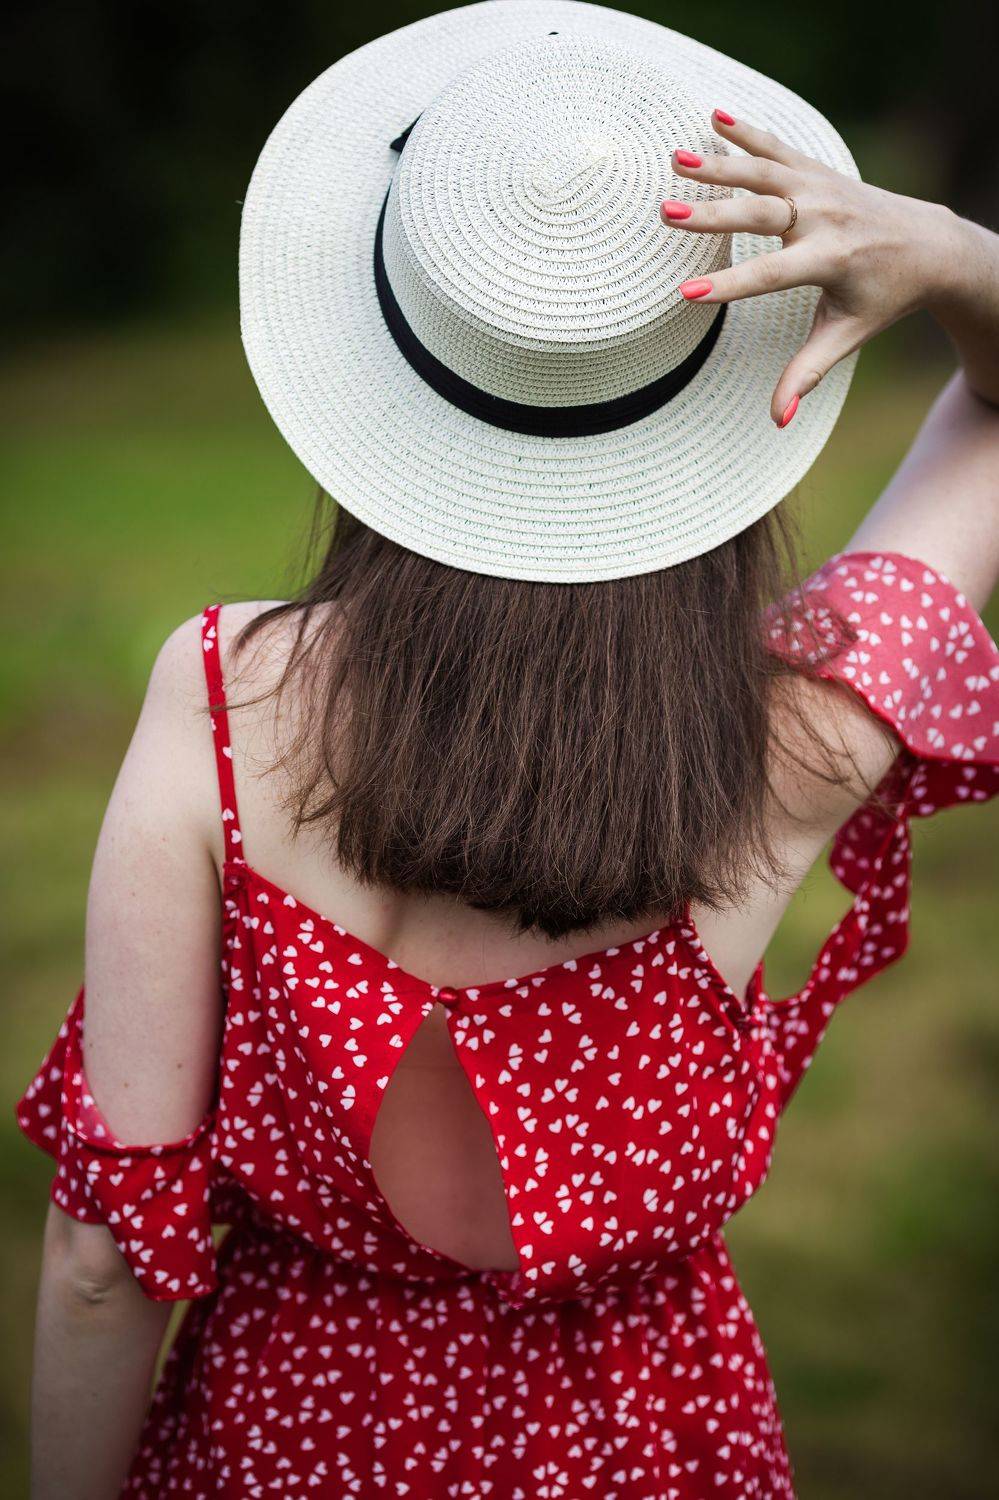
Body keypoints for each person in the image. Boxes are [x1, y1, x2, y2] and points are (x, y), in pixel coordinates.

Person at [16, 5, 999, 1497]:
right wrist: (948, 249)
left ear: (380, 373)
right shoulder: (792, 735)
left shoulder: (218, 693)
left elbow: (103, 1260)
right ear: (721, 406)